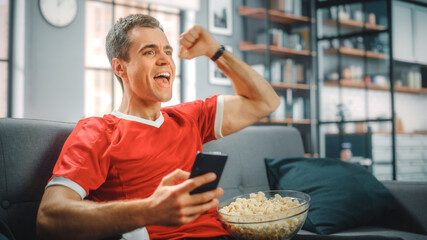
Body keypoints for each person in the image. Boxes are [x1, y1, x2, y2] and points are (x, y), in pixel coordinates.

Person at [36, 14, 280, 240]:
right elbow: (48, 217)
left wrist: (215, 51)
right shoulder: (98, 131)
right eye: (149, 52)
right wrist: (149, 210)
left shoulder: (190, 117)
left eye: (167, 51)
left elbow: (265, 101)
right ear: (120, 68)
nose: (165, 60)